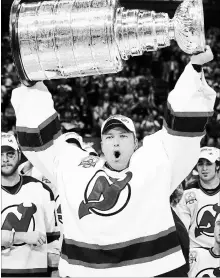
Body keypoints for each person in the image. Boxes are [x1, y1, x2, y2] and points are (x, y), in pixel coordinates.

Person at [11, 47, 216, 277]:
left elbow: (180, 133)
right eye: (109, 137)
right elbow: (43, 142)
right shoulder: (76, 169)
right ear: (101, 145)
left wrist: (195, 67)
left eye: (122, 136)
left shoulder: (154, 162)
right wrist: (31, 84)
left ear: (135, 142)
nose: (115, 142)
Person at [1, 133, 61, 277]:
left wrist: (54, 271)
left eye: (10, 154)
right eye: (0, 154)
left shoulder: (41, 190)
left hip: (36, 272)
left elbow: (54, 240)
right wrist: (20, 237)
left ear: (19, 154)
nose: (5, 159)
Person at [176, 146, 220, 249]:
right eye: (200, 164)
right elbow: (181, 232)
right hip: (196, 255)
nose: (204, 169)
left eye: (209, 164)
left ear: (217, 166)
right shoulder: (187, 194)